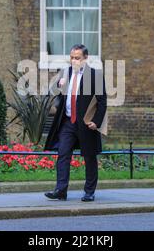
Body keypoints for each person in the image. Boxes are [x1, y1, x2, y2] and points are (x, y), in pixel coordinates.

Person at [44, 44, 107, 202]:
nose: (74, 60)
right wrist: (60, 85)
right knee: (63, 153)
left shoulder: (95, 76)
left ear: (85, 58)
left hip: (86, 123)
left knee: (89, 157)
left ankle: (89, 192)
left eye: (77, 58)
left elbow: (102, 102)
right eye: (71, 57)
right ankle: (61, 190)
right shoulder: (66, 73)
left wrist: (96, 122)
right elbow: (59, 95)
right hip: (68, 121)